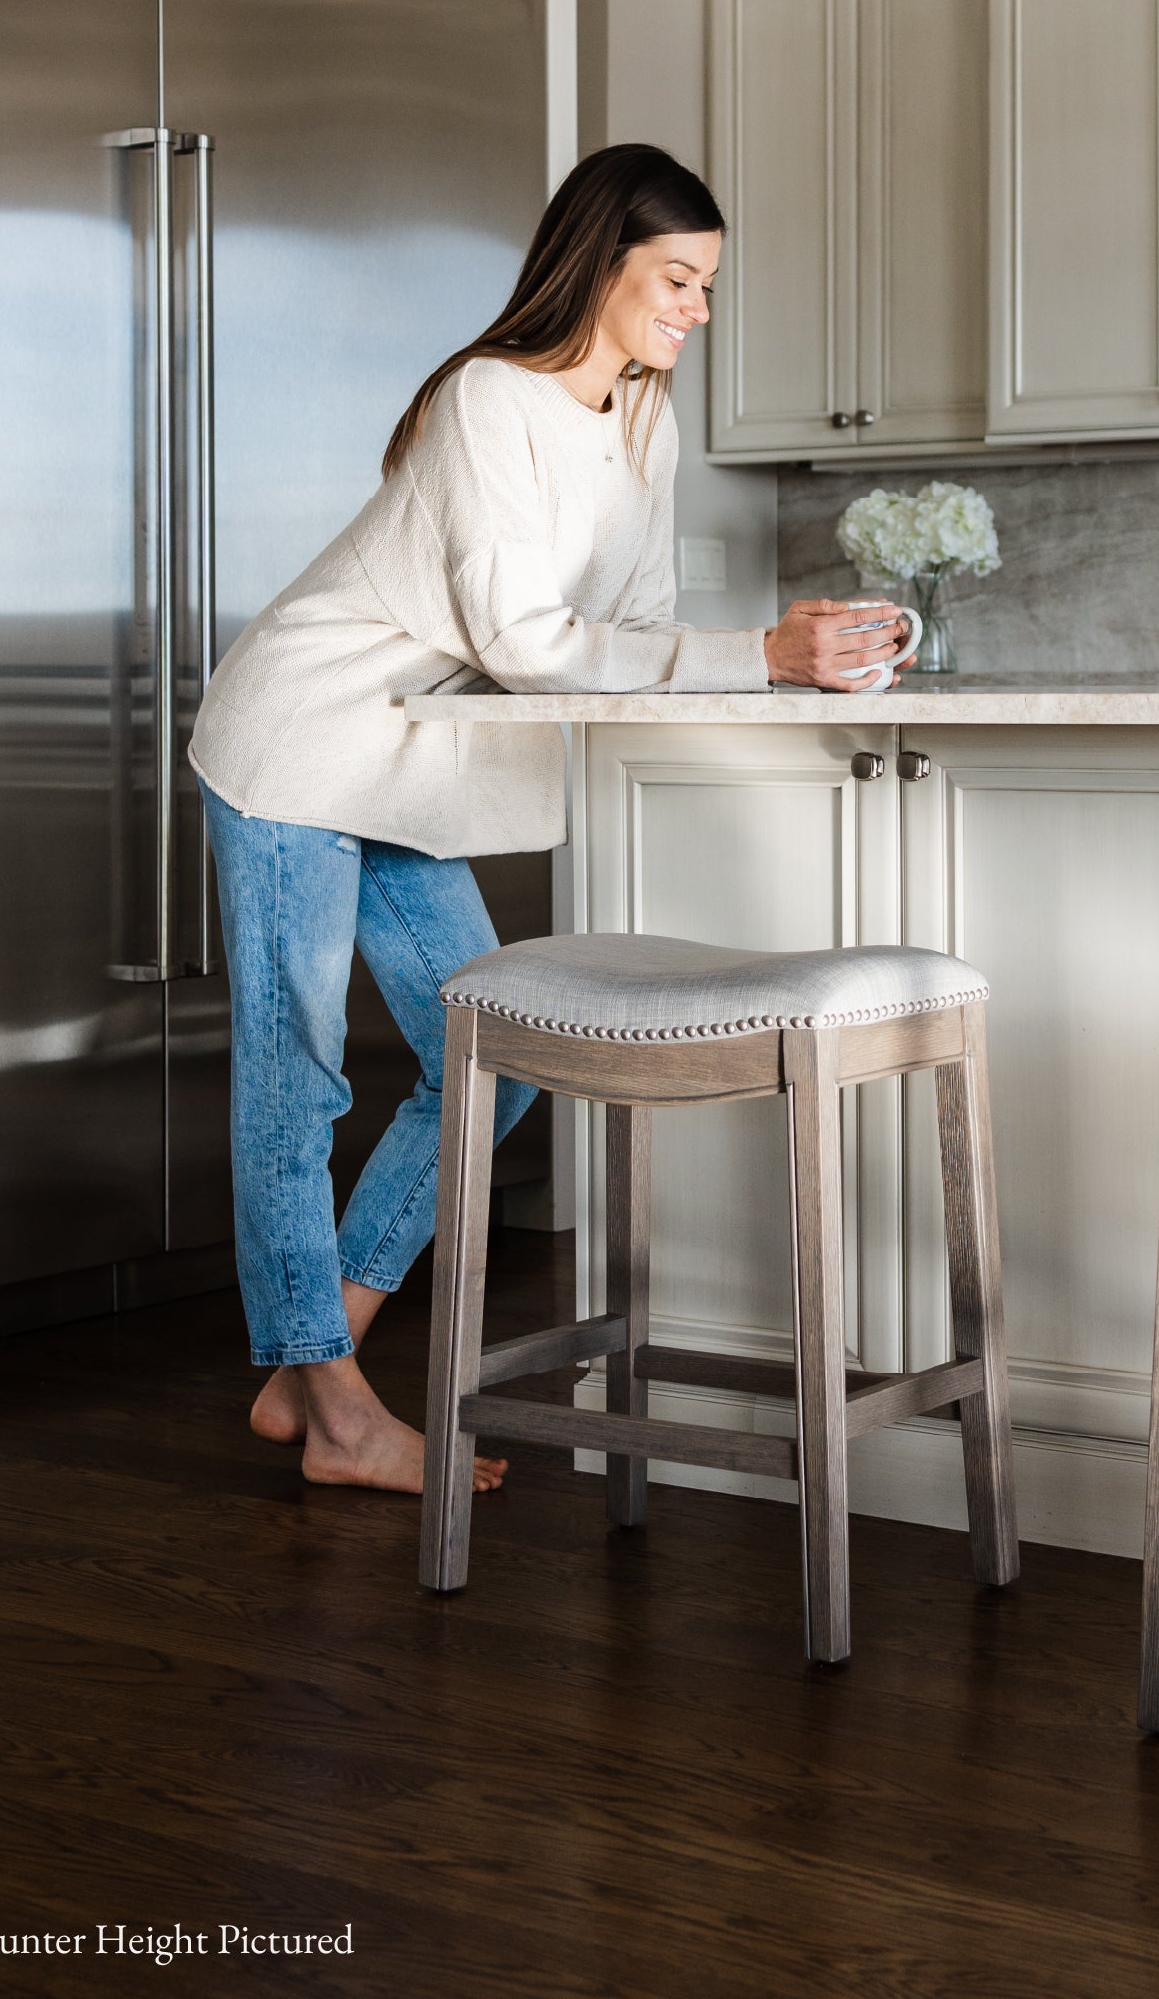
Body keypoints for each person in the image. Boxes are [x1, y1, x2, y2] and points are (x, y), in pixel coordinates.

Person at [189, 142, 913, 1495]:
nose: (697, 309)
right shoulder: (487, 400)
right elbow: (530, 640)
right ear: (599, 267)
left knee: (500, 1056)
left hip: (416, 768)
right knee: (298, 1079)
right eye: (677, 279)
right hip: (300, 742)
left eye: (705, 284)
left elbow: (626, 630)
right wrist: (756, 651)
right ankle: (341, 1416)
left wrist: (799, 651)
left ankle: (312, 1356)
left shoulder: (646, 418)